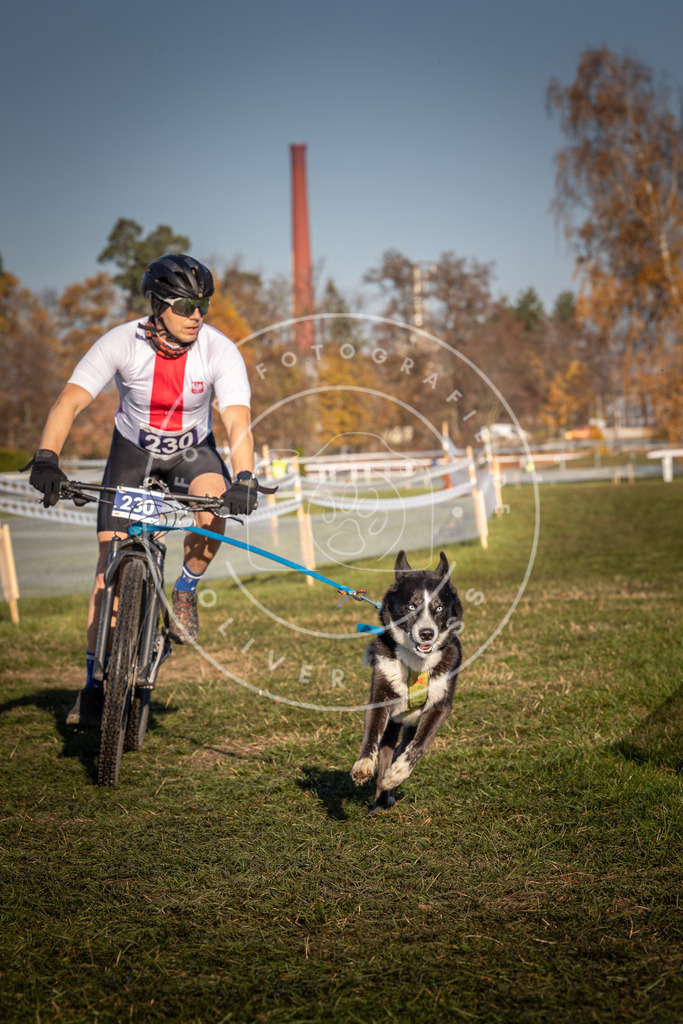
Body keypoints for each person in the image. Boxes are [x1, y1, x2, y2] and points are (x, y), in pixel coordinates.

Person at [25, 254, 268, 728]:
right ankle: (94, 684)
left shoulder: (218, 349)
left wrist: (244, 477)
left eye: (203, 304)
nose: (197, 314)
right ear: (157, 305)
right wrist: (47, 458)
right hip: (133, 455)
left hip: (191, 453)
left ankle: (185, 589)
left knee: (214, 505)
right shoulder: (121, 342)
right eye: (185, 305)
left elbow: (237, 419)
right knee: (105, 571)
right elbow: (70, 400)